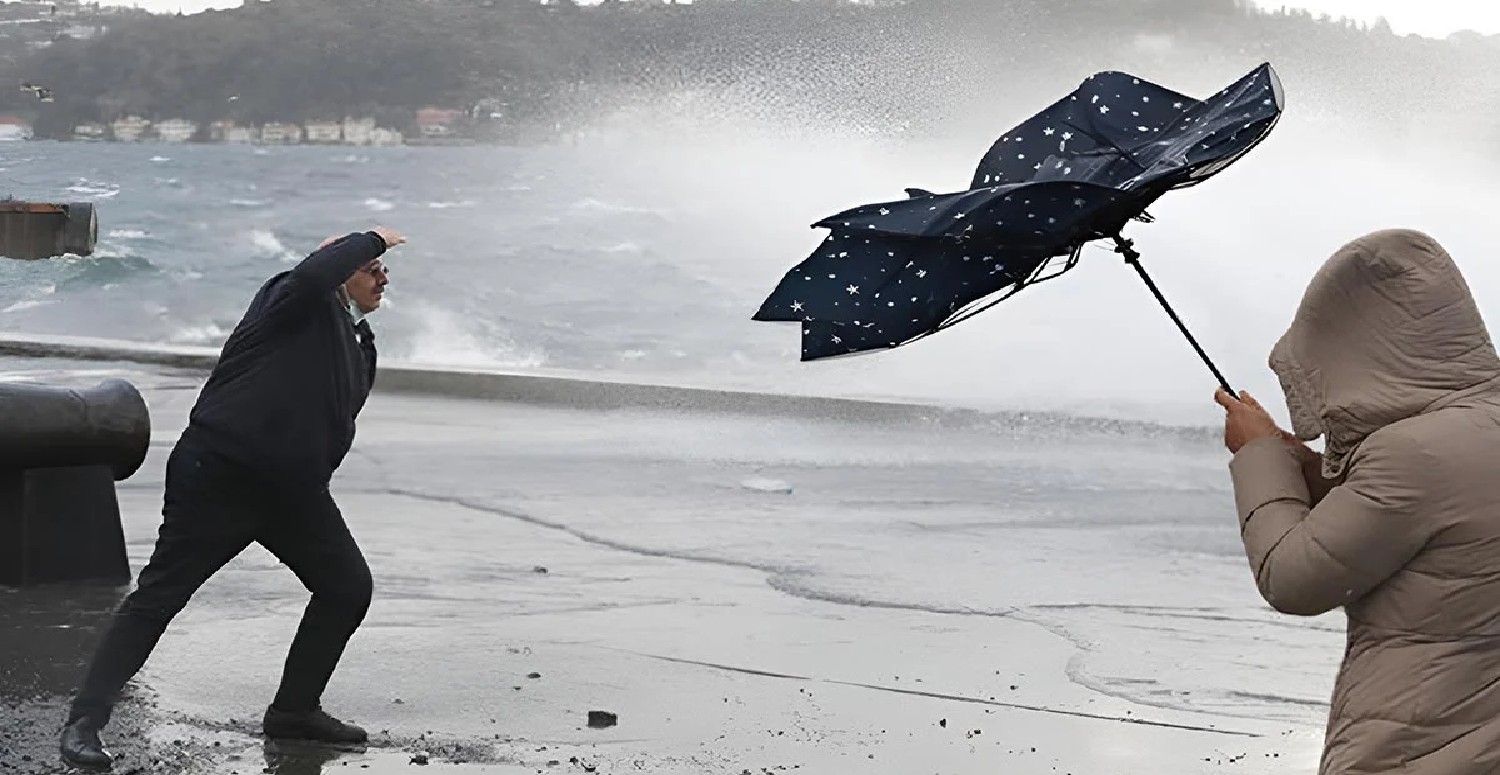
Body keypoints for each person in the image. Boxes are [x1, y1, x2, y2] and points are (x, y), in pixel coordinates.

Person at [59, 227, 405, 770]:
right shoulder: (290, 298)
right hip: (219, 475)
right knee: (161, 596)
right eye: (371, 266)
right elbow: (315, 273)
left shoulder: (359, 341)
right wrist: (374, 237)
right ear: (339, 269)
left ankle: (294, 710)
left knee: (346, 587)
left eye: (382, 267)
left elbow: (334, 416)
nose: (382, 274)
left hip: (292, 493)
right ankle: (84, 721)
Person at [1215, 228, 1500, 774]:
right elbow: (1418, 529)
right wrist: (1292, 457)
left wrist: (1258, 457)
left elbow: (1294, 579)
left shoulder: (1414, 453)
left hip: (1419, 741)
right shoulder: (1468, 429)